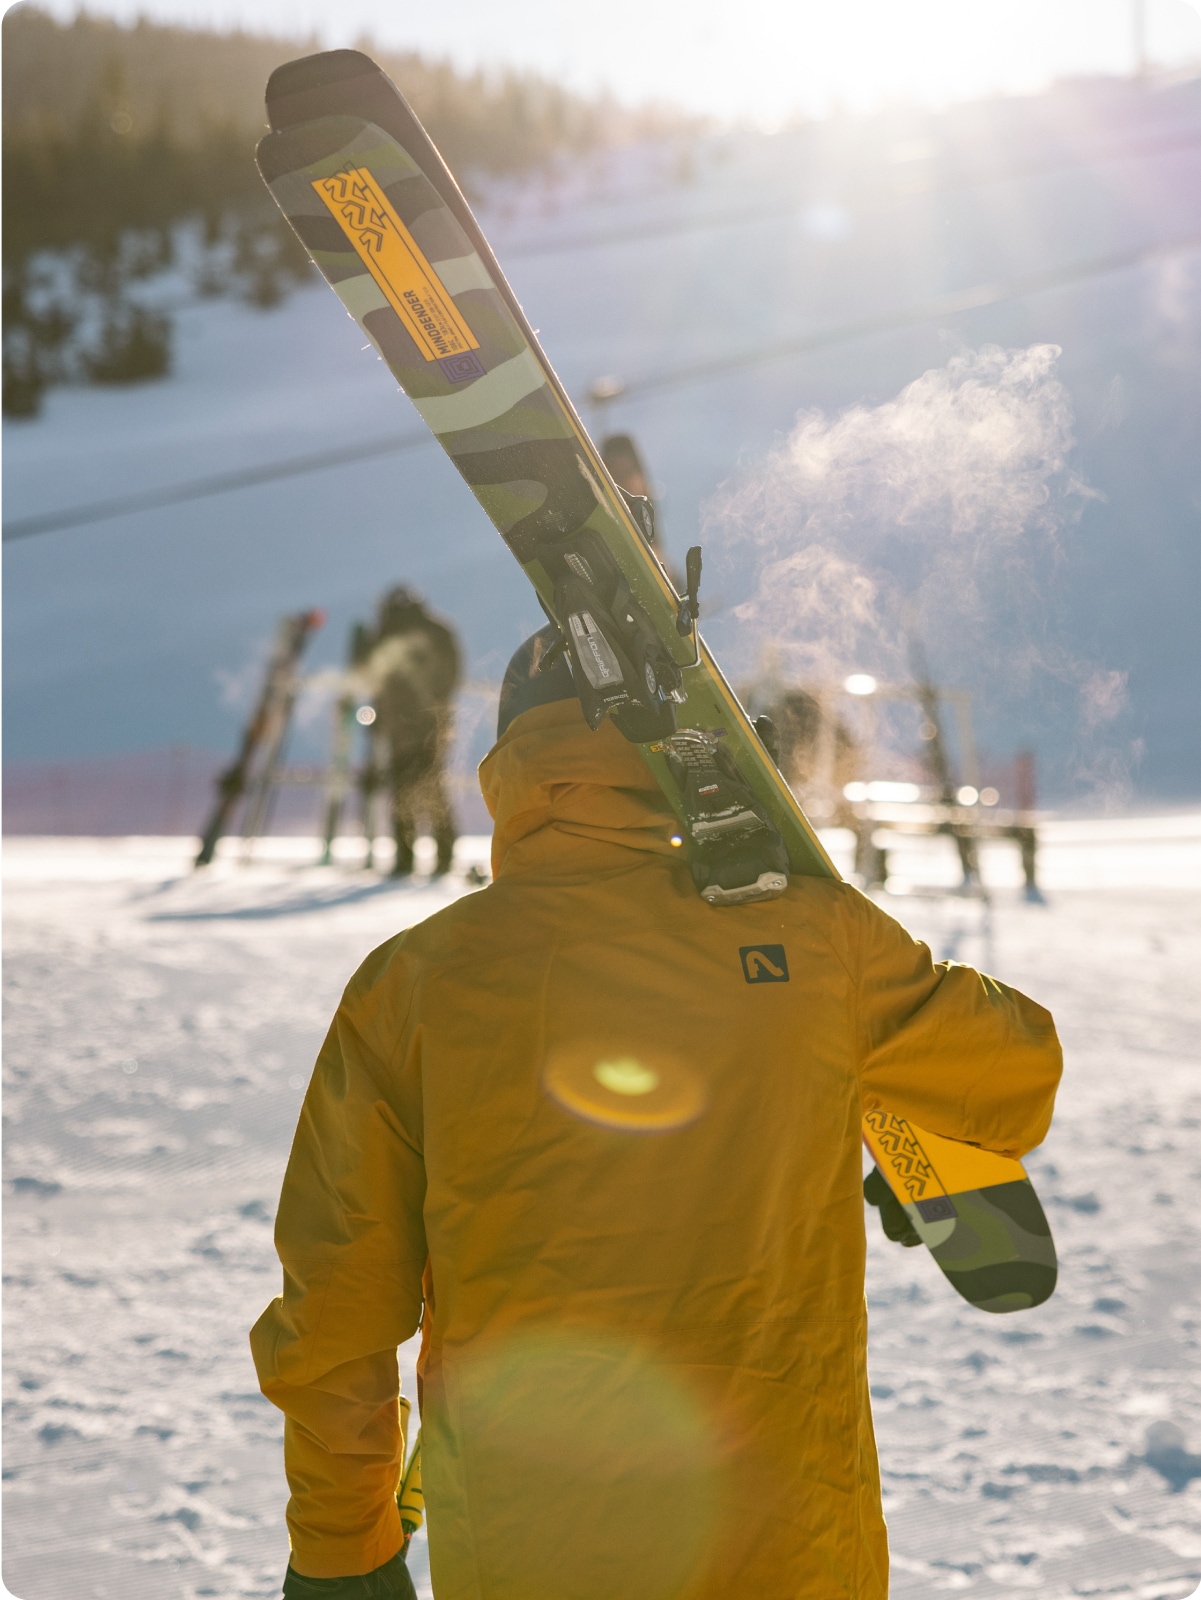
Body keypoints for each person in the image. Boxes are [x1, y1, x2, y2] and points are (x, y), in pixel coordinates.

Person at [251, 627, 1062, 1599]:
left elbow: (339, 1299)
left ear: (507, 768)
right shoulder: (816, 938)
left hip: (525, 1545)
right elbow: (1012, 1069)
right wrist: (915, 1119)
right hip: (795, 1541)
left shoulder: (413, 982)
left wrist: (343, 1545)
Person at [361, 587, 461, 877]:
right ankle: (443, 855)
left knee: (404, 790)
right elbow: (451, 674)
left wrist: (382, 718)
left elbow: (375, 678)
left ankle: (407, 858)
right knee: (432, 787)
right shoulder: (437, 630)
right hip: (431, 723)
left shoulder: (386, 633)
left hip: (404, 726)